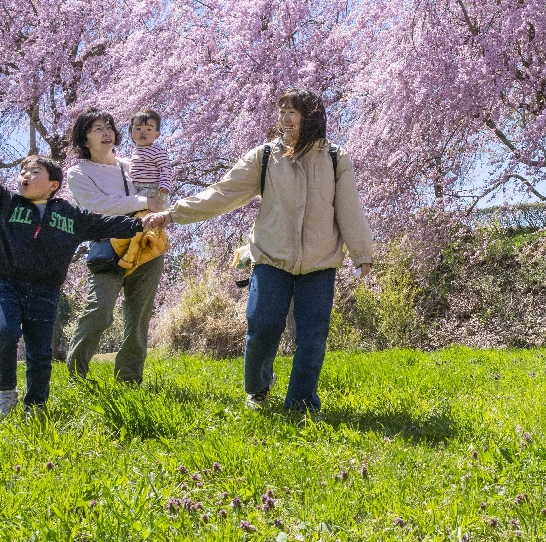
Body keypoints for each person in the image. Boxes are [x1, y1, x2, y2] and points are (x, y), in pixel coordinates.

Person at [160, 88, 373, 412]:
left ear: (310, 116)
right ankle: (258, 387)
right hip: (271, 257)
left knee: (312, 336)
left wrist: (361, 253)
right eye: (282, 111)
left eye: (292, 111)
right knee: (263, 323)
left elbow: (349, 207)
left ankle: (301, 404)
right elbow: (223, 193)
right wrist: (174, 214)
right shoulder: (265, 157)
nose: (284, 118)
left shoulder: (335, 157)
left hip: (319, 261)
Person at [0, 116, 166, 417]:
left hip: (46, 289)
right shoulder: (8, 204)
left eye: (35, 171)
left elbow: (101, 223)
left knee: (40, 350)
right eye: (22, 172)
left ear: (53, 184)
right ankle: (6, 393)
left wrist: (139, 223)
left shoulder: (67, 214)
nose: (25, 176)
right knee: (4, 334)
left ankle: (37, 404)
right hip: (10, 284)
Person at [65, 108, 170, 384]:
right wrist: (142, 203)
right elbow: (98, 206)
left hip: (146, 246)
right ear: (84, 138)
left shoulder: (131, 165)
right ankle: (76, 375)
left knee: (139, 317)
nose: (106, 132)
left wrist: (161, 206)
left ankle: (129, 379)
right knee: (100, 309)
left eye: (109, 126)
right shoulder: (78, 172)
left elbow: (156, 192)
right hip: (108, 247)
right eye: (97, 128)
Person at [127, 108, 174, 204]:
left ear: (157, 134)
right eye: (138, 128)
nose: (143, 132)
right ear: (131, 131)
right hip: (138, 189)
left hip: (153, 189)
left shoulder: (157, 150)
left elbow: (165, 168)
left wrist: (164, 185)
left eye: (149, 129)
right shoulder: (136, 152)